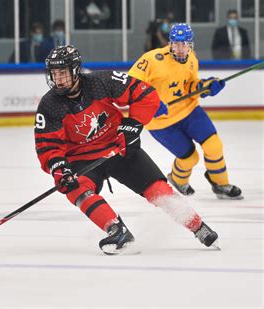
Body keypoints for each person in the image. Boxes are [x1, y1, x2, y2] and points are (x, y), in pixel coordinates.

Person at [34, 45, 219, 255]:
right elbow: (48, 146)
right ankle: (117, 230)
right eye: (54, 74)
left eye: (63, 73)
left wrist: (132, 125)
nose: (58, 79)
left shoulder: (100, 82)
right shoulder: (49, 105)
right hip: (82, 159)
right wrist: (61, 170)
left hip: (118, 146)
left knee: (157, 189)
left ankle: (198, 226)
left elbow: (145, 94)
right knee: (75, 187)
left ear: (75, 70)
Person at [128, 23, 243, 200]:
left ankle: (221, 183)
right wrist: (149, 102)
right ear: (170, 43)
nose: (180, 48)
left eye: (185, 44)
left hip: (189, 110)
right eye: (176, 43)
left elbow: (189, 86)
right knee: (190, 158)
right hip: (161, 122)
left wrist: (206, 86)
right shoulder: (152, 59)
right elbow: (130, 84)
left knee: (214, 145)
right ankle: (178, 179)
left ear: (191, 44)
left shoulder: (192, 59)